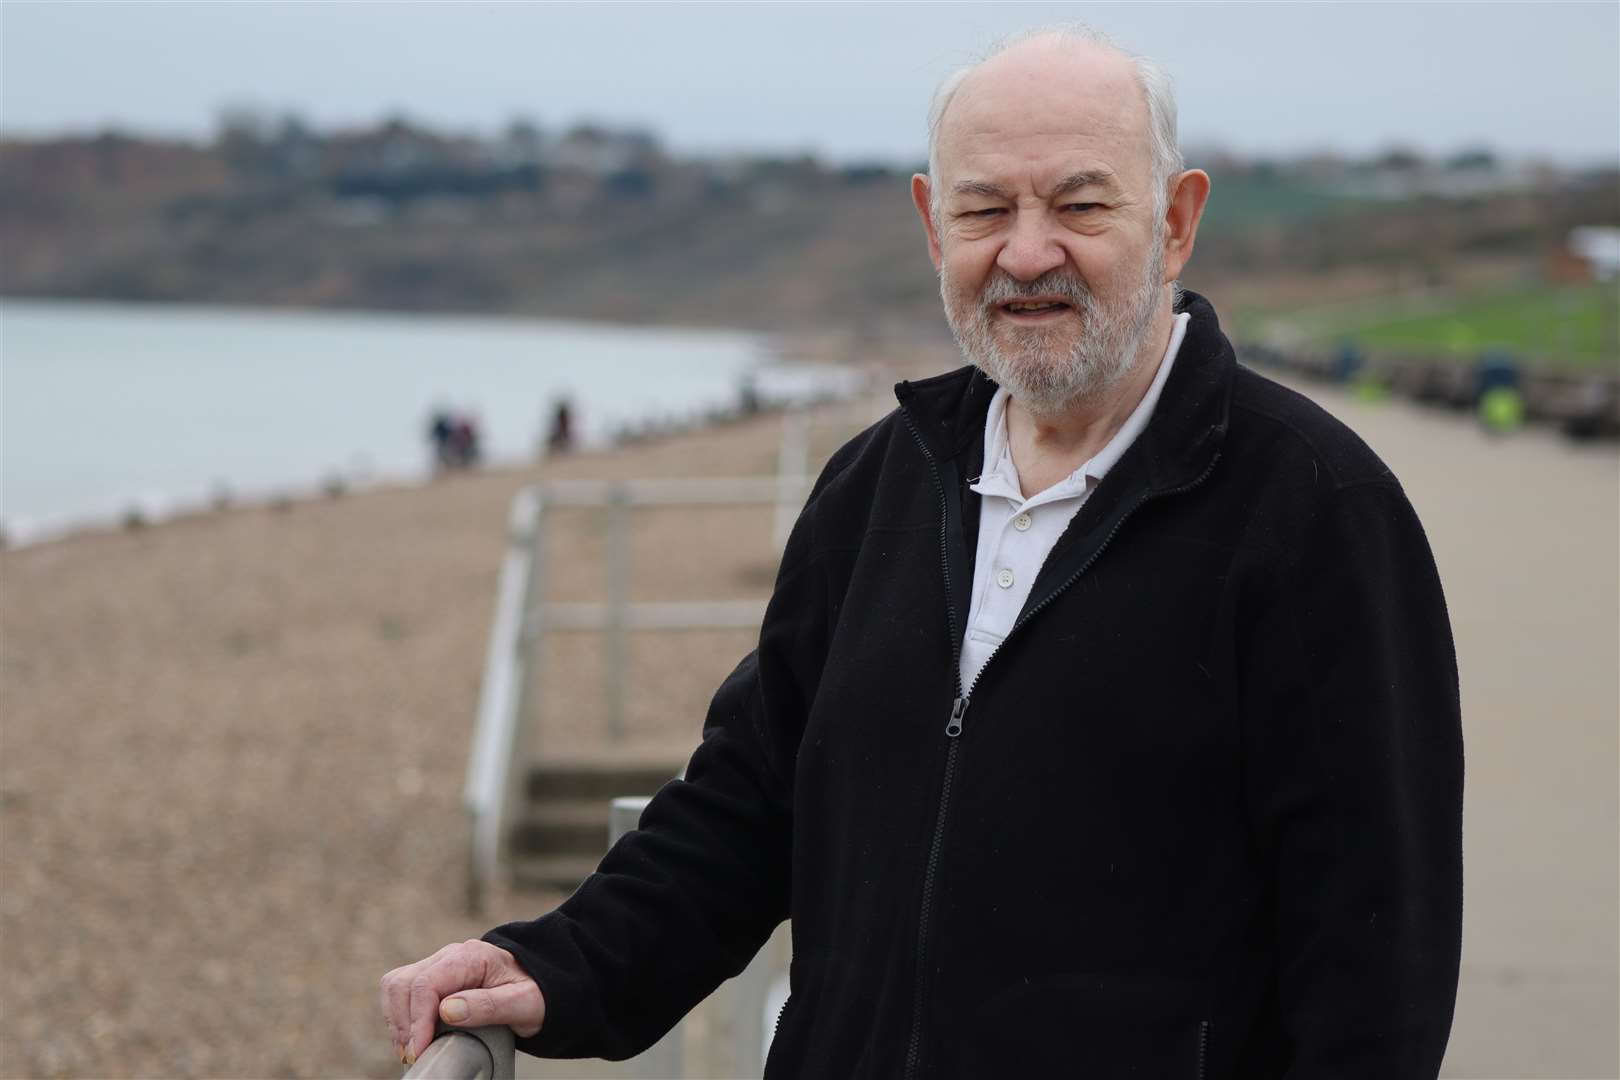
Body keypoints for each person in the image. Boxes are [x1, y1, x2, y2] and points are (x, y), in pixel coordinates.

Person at [382, 26, 1463, 1078]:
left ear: (1177, 222)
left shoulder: (1319, 513)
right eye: (984, 208)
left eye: (1082, 205)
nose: (1027, 252)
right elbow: (751, 801)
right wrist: (557, 964)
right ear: (931, 226)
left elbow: (1375, 967)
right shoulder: (878, 484)